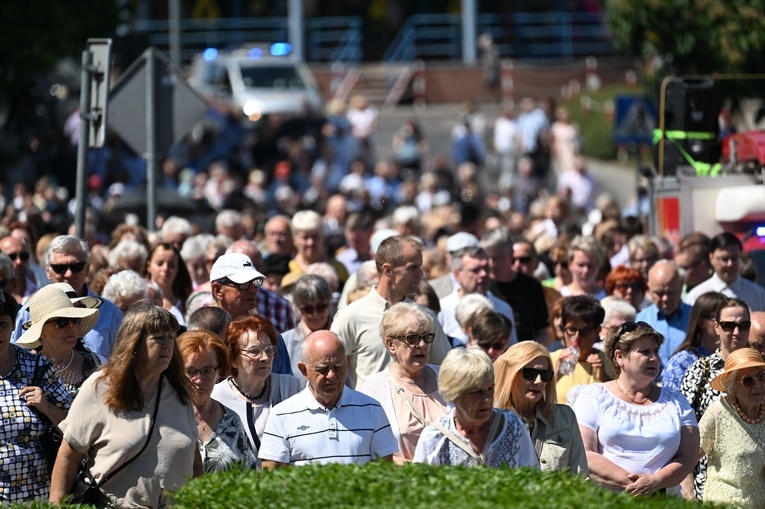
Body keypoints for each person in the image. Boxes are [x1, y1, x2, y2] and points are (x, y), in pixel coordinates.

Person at [50, 303, 200, 507]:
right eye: (157, 337)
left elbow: (194, 459)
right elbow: (68, 456)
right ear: (134, 343)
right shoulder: (100, 388)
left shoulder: (180, 393)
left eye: (171, 336)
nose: (167, 344)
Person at [573, 321, 699, 496]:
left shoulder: (677, 401)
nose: (654, 358)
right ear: (620, 357)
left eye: (655, 351)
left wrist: (654, 482)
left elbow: (688, 457)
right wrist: (636, 485)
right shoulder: (593, 396)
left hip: (663, 501)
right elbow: (584, 452)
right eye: (645, 352)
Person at [259, 330, 398, 466]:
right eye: (323, 369)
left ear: (347, 362)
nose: (331, 375)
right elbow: (271, 477)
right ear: (304, 370)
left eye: (338, 367)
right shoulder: (281, 415)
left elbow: (384, 473)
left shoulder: (372, 410)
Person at [331, 235, 452, 389]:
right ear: (388, 270)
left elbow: (446, 370)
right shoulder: (351, 316)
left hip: (418, 411)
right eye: (412, 268)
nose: (420, 274)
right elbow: (331, 370)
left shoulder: (425, 317)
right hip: (369, 412)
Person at [413, 347, 537, 467]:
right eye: (477, 392)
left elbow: (532, 478)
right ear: (454, 394)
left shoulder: (513, 427)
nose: (487, 399)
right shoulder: (435, 437)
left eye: (490, 389)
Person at [0, 289, 70, 502]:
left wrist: (47, 407)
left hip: (38, 497)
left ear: (13, 325)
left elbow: (76, 429)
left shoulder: (38, 367)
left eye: (2, 324)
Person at [680, 297, 752, 500]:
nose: (737, 332)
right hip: (708, 486)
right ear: (717, 327)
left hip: (754, 490)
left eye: (743, 325)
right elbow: (683, 429)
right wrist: (687, 488)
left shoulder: (759, 372)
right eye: (729, 325)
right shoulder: (700, 370)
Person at [360, 302, 449, 463]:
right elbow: (369, 451)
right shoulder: (375, 388)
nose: (422, 345)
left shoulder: (447, 376)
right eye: (412, 338)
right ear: (391, 344)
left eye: (426, 337)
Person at [210, 316, 304, 466]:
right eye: (254, 351)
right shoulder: (216, 396)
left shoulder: (291, 387)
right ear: (233, 359)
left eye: (269, 350)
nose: (265, 357)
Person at [13, 235, 123, 359]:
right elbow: (15, 357)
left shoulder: (111, 313)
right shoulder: (30, 311)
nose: (69, 274)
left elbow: (121, 362)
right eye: (60, 268)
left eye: (76, 267)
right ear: (48, 271)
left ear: (87, 269)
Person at [494, 341, 588, 475]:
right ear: (511, 374)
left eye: (545, 375)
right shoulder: (494, 422)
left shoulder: (565, 417)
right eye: (530, 373)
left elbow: (580, 477)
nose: (539, 381)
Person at [177, 330, 257, 472]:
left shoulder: (231, 421)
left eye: (207, 371)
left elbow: (250, 477)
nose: (199, 380)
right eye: (190, 371)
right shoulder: (164, 418)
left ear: (218, 373)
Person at [699, 348, 765, 507]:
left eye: (762, 377)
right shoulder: (718, 413)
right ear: (732, 387)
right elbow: (689, 455)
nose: (757, 385)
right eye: (748, 381)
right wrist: (686, 491)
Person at [209, 252, 293, 375]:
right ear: (217, 290)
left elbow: (285, 385)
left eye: (255, 282)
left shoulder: (269, 335)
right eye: (243, 284)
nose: (253, 289)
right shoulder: (204, 335)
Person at [16, 284, 102, 399]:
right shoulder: (26, 370)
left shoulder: (98, 363)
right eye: (62, 322)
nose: (71, 326)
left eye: (75, 320)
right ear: (41, 331)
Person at [438, 246, 517, 346]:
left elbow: (511, 351)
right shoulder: (442, 309)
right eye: (475, 270)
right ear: (457, 275)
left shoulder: (503, 309)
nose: (483, 274)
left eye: (486, 269)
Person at [481, 228, 549, 343]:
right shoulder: (482, 285)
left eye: (497, 258)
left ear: (511, 254)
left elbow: (543, 330)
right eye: (488, 258)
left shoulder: (531, 286)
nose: (492, 264)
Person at [551, 296, 614, 405]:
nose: (577, 337)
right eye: (571, 329)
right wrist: (555, 375)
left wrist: (604, 379)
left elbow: (622, 403)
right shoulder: (549, 360)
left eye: (584, 331)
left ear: (597, 331)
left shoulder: (611, 363)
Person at [661, 292, 727, 392]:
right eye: (718, 318)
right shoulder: (681, 362)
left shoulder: (735, 357)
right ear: (701, 322)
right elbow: (669, 400)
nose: (724, 323)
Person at [685, 232, 765, 310]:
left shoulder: (758, 295)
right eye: (724, 259)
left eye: (734, 258)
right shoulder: (697, 296)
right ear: (711, 258)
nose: (730, 264)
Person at [636, 261, 692, 367]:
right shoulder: (639, 321)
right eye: (659, 293)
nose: (665, 298)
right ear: (649, 288)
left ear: (681, 285)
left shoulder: (696, 319)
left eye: (671, 292)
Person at [281, 275, 333, 376]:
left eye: (321, 307)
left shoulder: (344, 336)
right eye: (308, 309)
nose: (315, 314)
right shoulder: (284, 343)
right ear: (297, 307)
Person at [144, 242, 193, 326]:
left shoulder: (187, 303)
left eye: (172, 265)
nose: (165, 268)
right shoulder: (139, 300)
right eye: (159, 263)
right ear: (148, 266)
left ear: (178, 269)